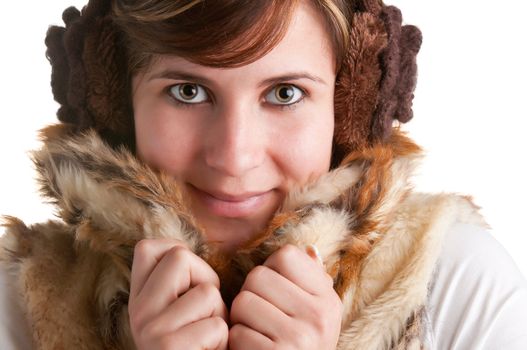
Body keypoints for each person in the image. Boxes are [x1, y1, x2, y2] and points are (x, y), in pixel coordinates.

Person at [1, 0, 526, 349]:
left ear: (350, 110)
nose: (234, 157)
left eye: (285, 93)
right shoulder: (23, 299)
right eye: (188, 91)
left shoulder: (455, 284)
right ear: (116, 105)